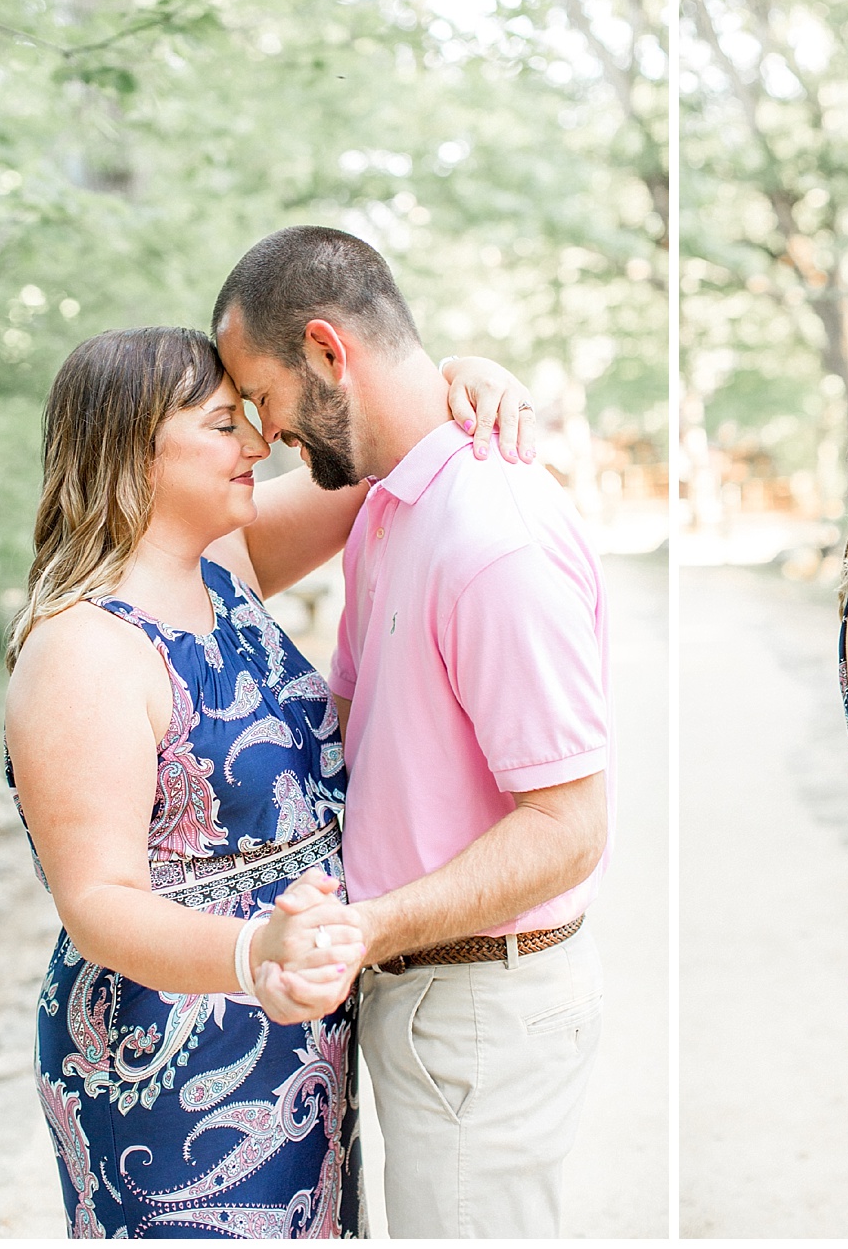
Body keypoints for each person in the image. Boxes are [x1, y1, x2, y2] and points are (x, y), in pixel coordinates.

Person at [5, 325, 530, 1238]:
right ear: (133, 452)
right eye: (221, 426)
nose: (255, 445)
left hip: (297, 1030)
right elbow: (96, 900)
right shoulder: (82, 651)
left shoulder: (224, 567)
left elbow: (384, 450)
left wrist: (461, 375)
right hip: (162, 1055)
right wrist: (255, 957)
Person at [212, 226, 613, 1238]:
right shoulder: (387, 507)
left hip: (480, 1000)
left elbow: (568, 826)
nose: (261, 439)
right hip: (423, 991)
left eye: (260, 397)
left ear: (325, 351)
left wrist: (367, 929)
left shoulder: (492, 540)